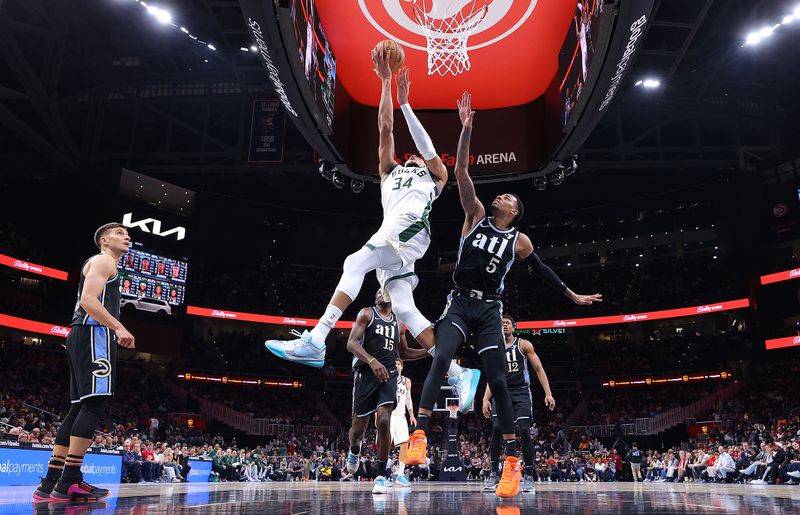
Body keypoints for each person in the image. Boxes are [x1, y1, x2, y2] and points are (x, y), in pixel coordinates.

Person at [405, 91, 602, 499]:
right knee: (440, 356)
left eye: (508, 198)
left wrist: (572, 295)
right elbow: (460, 174)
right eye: (501, 195)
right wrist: (466, 130)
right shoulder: (475, 215)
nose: (500, 197)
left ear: (514, 212)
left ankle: (513, 460)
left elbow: (543, 271)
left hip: (491, 309)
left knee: (498, 377)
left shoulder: (520, 241)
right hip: (460, 300)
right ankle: (420, 434)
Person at [264, 51, 480, 410]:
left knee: (353, 261)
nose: (410, 155)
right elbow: (384, 128)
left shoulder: (435, 175)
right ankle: (458, 373)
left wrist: (406, 104)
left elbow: (427, 149)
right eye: (406, 155)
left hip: (409, 231)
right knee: (406, 310)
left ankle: (317, 339)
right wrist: (384, 82)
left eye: (417, 156)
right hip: (395, 244)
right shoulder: (387, 173)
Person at [32, 223, 135, 502]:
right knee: (93, 404)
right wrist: (118, 327)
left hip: (83, 334)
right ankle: (69, 483)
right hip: (94, 335)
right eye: (118, 233)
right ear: (104, 241)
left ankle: (51, 483)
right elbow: (89, 301)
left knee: (79, 406)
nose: (126, 236)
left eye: (127, 233)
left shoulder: (103, 264)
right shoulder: (103, 260)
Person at [344, 290, 428, 494]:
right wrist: (372, 361)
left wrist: (430, 350)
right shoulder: (366, 314)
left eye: (386, 289)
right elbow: (351, 343)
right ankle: (354, 449)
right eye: (379, 290)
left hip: (388, 375)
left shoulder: (398, 323)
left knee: (383, 421)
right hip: (366, 374)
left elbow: (405, 353)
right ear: (376, 298)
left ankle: (381, 476)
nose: (382, 292)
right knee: (358, 430)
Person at [482, 315, 556, 493]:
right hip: (500, 392)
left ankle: (529, 476)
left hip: (521, 391)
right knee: (497, 429)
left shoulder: (524, 345)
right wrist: (485, 398)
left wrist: (548, 393)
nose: (504, 326)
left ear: (514, 327)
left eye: (507, 323)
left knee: (523, 429)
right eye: (501, 324)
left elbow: (538, 368)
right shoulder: (495, 348)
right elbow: (492, 375)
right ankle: (494, 474)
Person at [377, 357, 416, 487]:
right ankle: (383, 476)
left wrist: (412, 415)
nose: (397, 365)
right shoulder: (386, 378)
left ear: (402, 367)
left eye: (399, 364)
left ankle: (400, 474)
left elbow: (408, 399)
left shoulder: (407, 381)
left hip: (401, 416)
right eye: (395, 364)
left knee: (404, 444)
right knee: (385, 445)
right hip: (389, 415)